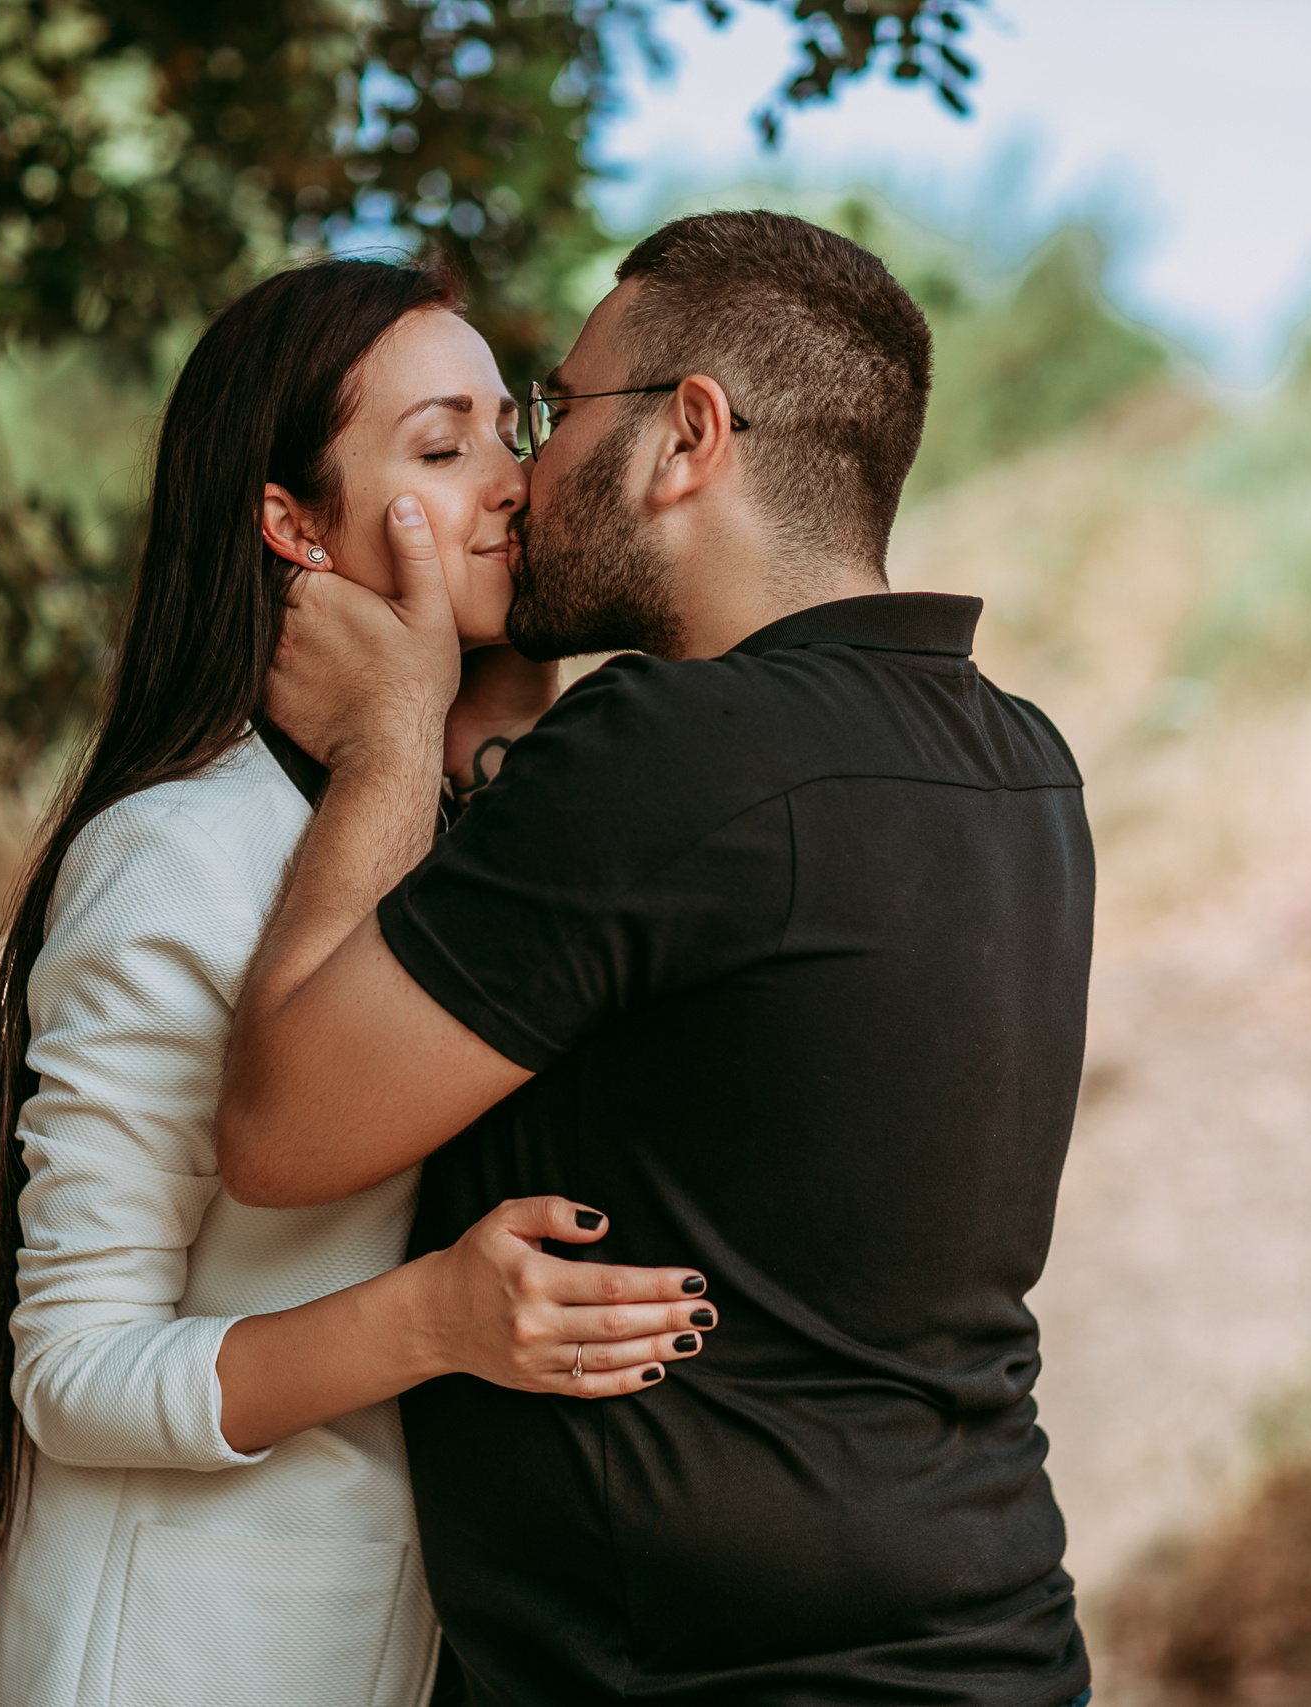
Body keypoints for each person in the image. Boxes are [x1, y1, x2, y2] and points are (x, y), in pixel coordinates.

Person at [221, 210, 1097, 1705]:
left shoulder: (674, 752)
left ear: (687, 437)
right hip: (985, 1642)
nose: (525, 472)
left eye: (558, 412)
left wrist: (387, 737)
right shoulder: (1018, 761)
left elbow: (282, 1125)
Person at [0, 258, 720, 1707]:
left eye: (512, 428)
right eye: (441, 447)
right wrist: (436, 1321)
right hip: (180, 1654)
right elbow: (73, 1372)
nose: (511, 482)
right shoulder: (179, 854)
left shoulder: (456, 830)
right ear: (293, 525)